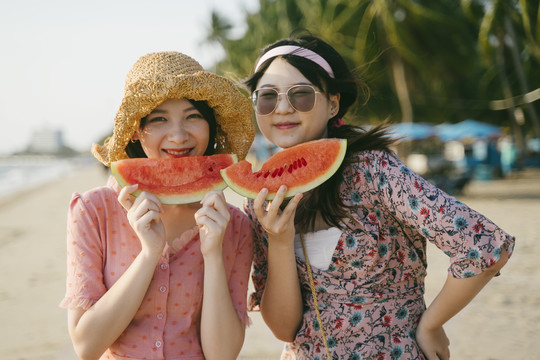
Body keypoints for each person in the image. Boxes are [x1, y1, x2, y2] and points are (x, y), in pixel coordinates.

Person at [243, 32, 515, 360]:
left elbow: (484, 246)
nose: (282, 108)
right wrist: (280, 242)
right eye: (267, 96)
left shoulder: (372, 170)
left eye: (301, 95)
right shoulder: (260, 197)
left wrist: (430, 324)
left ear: (333, 103)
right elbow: (286, 330)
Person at [60, 51, 255, 360]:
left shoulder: (236, 226)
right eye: (159, 119)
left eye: (193, 116)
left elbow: (223, 355)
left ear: (210, 124)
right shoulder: (94, 210)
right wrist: (149, 255)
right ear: (136, 130)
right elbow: (86, 346)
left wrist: (213, 253)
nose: (178, 136)